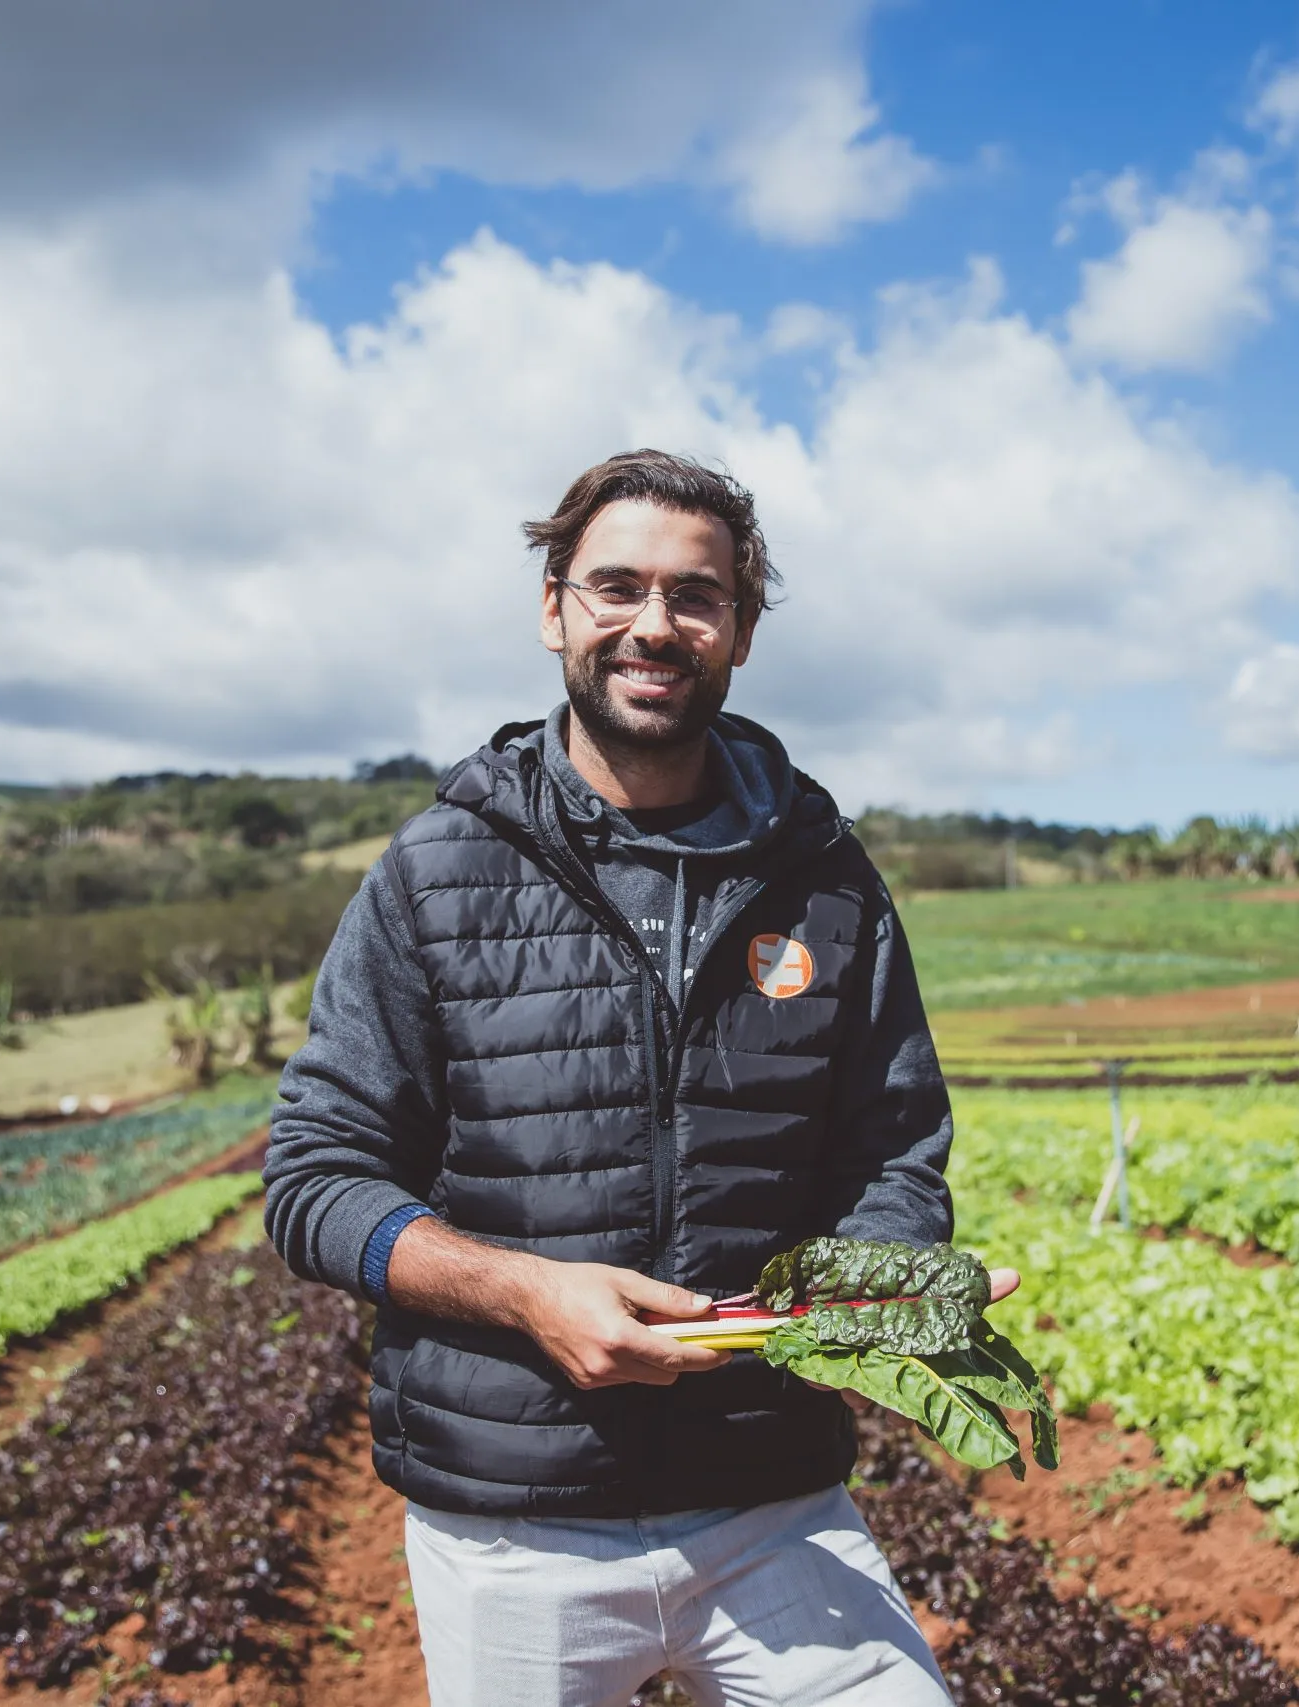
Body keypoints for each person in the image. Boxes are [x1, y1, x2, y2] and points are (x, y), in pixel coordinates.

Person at [263, 449, 960, 1706]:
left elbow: (893, 1150)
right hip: (514, 1521)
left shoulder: (829, 880)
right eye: (616, 587)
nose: (656, 624)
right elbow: (313, 1181)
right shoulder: (435, 874)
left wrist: (873, 1285)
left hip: (770, 1493)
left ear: (739, 631)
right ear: (553, 610)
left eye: (696, 595)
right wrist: (526, 1293)